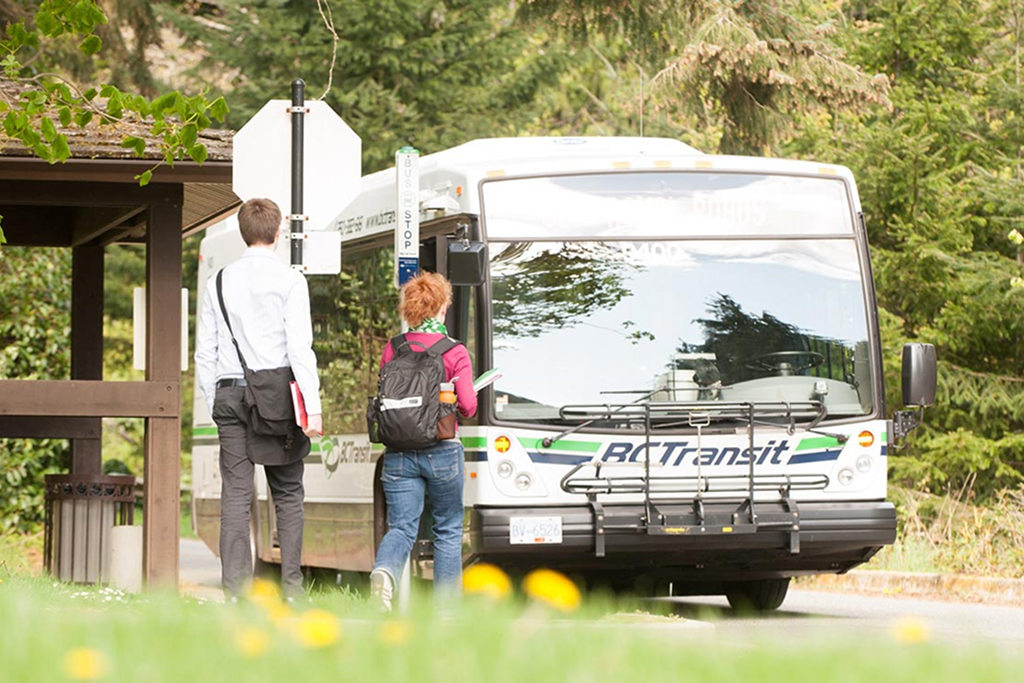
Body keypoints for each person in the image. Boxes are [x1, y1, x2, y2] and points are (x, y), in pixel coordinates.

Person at [194, 198, 323, 601]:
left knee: (235, 492)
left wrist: (212, 398)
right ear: (278, 231)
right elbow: (299, 349)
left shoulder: (217, 281)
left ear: (242, 231)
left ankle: (236, 591)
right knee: (287, 491)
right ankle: (291, 590)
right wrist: (313, 407)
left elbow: (205, 351)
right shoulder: (290, 281)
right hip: (278, 397)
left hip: (229, 394)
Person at [370, 272, 477, 611]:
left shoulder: (394, 347)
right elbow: (470, 406)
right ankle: (446, 612)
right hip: (442, 451)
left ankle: (385, 572)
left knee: (401, 526)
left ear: (411, 310)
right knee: (447, 528)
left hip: (398, 452)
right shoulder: (454, 351)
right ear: (442, 308)